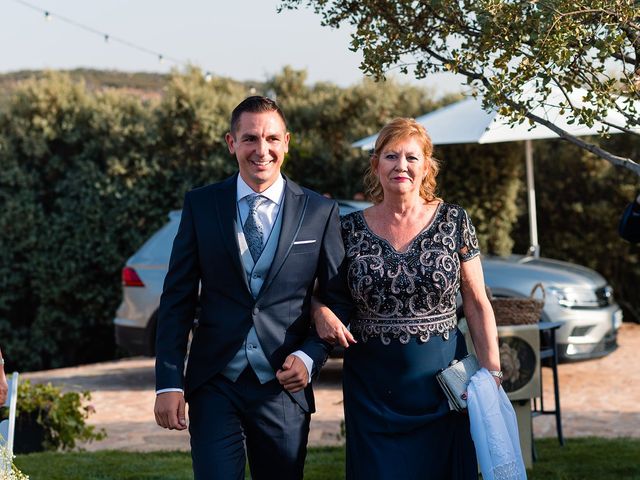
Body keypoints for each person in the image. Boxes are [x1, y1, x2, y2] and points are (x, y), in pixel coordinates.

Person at [154, 96, 349, 479]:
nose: (262, 150)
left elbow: (340, 300)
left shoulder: (319, 212)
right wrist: (167, 383)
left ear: (287, 142)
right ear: (231, 142)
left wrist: (310, 358)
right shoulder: (201, 205)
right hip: (215, 383)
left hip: (283, 388)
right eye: (250, 139)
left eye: (272, 139)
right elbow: (176, 300)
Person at [313, 118, 502, 479]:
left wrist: (492, 371)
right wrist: (319, 311)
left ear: (427, 166)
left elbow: (477, 300)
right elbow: (317, 295)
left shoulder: (454, 221)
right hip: (372, 392)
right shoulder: (346, 229)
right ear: (376, 165)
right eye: (391, 156)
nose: (401, 165)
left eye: (412, 157)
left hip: (446, 389)